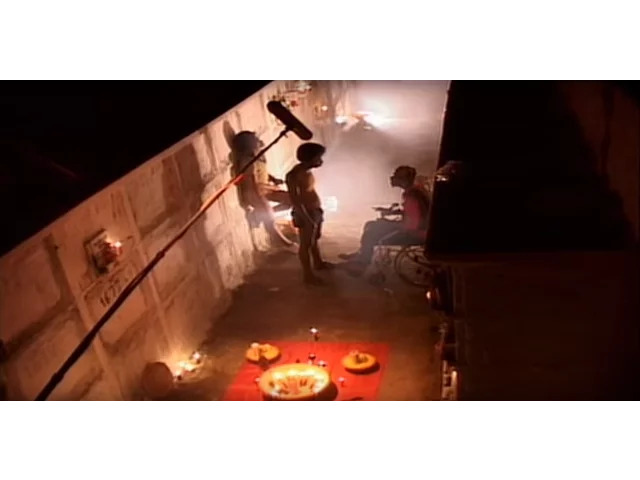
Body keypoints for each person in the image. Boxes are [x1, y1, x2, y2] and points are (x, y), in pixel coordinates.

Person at [339, 165, 430, 275]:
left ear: (404, 179)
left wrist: (392, 224)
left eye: (396, 176)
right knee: (371, 225)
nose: (392, 178)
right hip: (420, 230)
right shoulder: (416, 190)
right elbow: (414, 213)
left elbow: (413, 224)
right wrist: (392, 213)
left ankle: (362, 263)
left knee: (371, 232)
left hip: (415, 233)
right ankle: (362, 254)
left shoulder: (411, 195)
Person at [231, 131, 293, 246]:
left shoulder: (258, 157)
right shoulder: (247, 161)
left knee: (292, 199)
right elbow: (250, 183)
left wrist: (273, 179)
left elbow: (262, 171)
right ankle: (284, 243)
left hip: (266, 189)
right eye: (256, 141)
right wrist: (261, 200)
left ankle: (258, 214)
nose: (259, 142)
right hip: (254, 193)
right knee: (269, 218)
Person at [286, 142, 332, 285]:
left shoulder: (307, 172)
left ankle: (318, 263)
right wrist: (306, 218)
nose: (320, 161)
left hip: (314, 210)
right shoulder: (294, 175)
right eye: (318, 158)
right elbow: (295, 200)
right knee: (305, 244)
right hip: (306, 212)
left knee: (314, 239)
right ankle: (308, 275)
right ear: (310, 158)